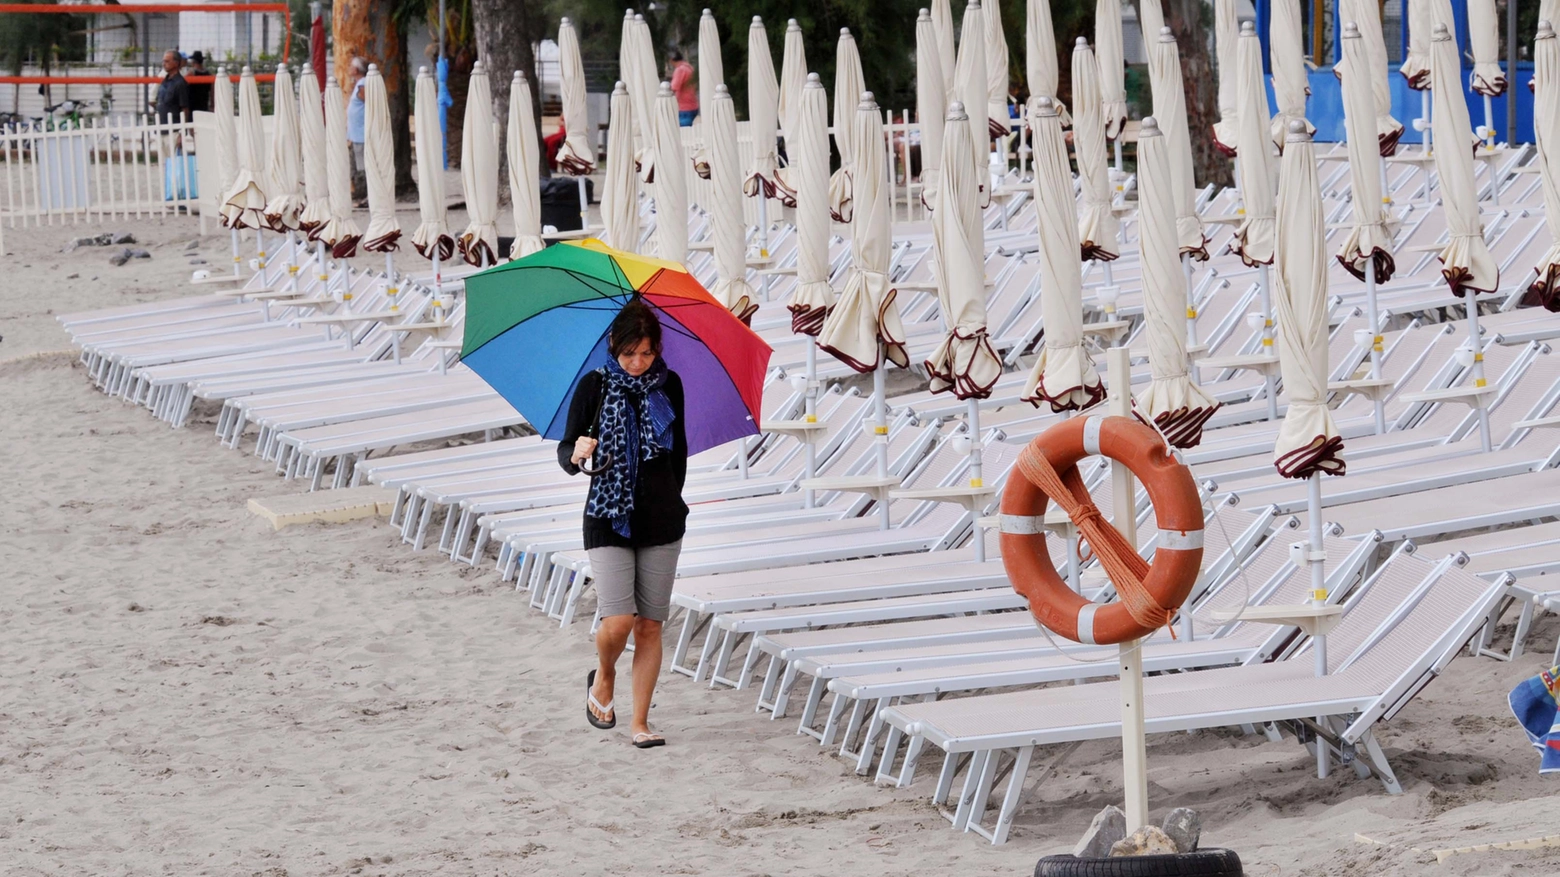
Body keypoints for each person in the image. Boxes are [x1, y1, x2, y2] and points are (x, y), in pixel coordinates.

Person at [559, 300, 688, 750]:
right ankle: (605, 675)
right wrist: (578, 452)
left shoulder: (669, 386)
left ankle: (640, 722)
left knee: (650, 624)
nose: (638, 363)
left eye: (647, 353)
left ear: (657, 351)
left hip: (662, 521)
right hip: (608, 516)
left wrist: (671, 501)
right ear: (614, 346)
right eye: (630, 352)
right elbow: (565, 454)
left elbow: (680, 455)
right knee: (619, 619)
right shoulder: (593, 387)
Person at [346, 56, 368, 205]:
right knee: (355, 166)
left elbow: (368, 102)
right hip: (356, 134)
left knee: (361, 167)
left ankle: (363, 196)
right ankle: (358, 194)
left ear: (356, 69)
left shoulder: (363, 85)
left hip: (361, 134)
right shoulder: (359, 84)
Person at [152, 50, 191, 124]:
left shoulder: (180, 83)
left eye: (167, 61)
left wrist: (181, 130)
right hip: (161, 128)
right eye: (163, 61)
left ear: (176, 63)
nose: (164, 64)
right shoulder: (164, 81)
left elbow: (185, 108)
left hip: (174, 129)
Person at [668, 50, 696, 126]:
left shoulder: (680, 70)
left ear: (671, 60)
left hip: (684, 107)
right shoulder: (689, 67)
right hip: (693, 104)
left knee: (683, 132)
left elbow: (673, 88)